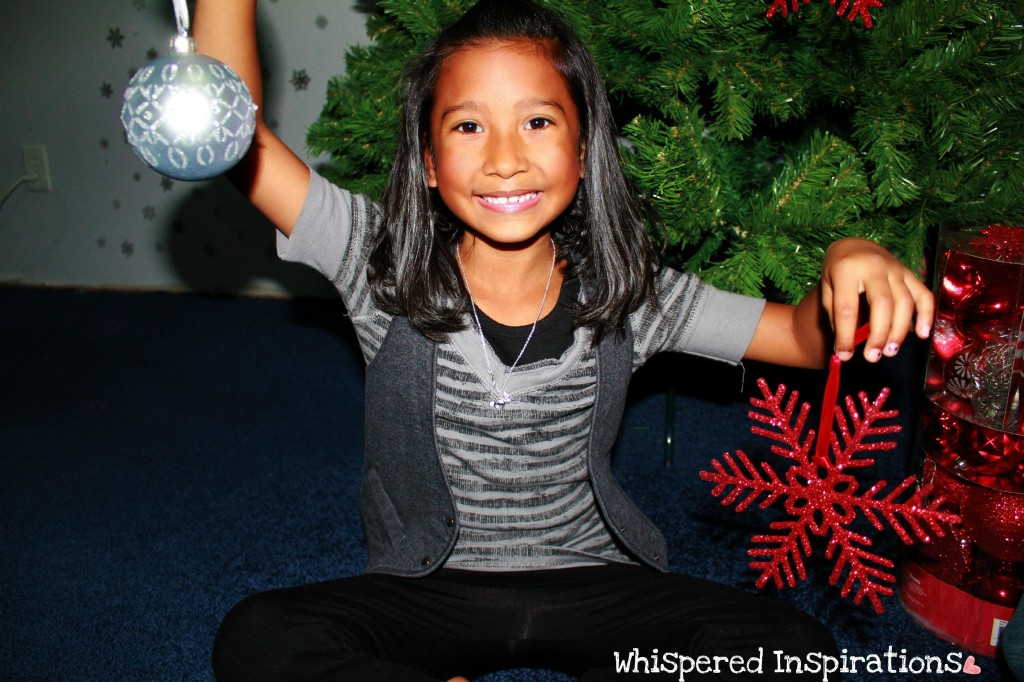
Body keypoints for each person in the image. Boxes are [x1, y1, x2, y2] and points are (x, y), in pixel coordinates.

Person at [195, 1, 935, 679]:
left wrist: (850, 256)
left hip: (597, 584)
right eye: (467, 125)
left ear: (584, 154)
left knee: (793, 649)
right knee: (259, 636)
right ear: (426, 160)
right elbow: (237, 142)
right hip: (425, 590)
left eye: (539, 122)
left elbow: (802, 341)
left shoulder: (629, 291)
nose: (505, 157)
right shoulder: (375, 258)